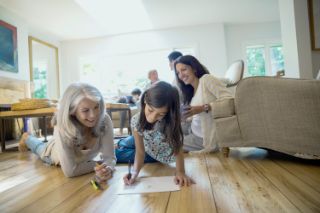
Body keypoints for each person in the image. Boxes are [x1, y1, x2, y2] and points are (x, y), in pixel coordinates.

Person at [19, 83, 116, 181]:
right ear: (72, 111)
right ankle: (27, 138)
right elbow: (70, 171)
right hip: (53, 154)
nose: (93, 115)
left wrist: (108, 168)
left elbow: (110, 158)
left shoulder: (104, 120)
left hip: (81, 159)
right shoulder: (62, 125)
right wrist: (98, 164)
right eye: (85, 110)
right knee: (40, 148)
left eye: (96, 107)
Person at [115, 81, 194, 186]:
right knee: (128, 141)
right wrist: (134, 173)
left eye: (161, 114)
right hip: (144, 145)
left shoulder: (171, 122)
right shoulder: (136, 120)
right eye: (150, 110)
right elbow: (140, 151)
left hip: (155, 155)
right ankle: (120, 143)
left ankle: (119, 144)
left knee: (117, 154)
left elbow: (178, 149)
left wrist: (180, 172)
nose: (152, 118)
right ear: (144, 101)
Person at [174, 55, 233, 153]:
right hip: (192, 128)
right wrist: (185, 116)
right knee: (168, 129)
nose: (181, 75)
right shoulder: (191, 91)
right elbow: (197, 116)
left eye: (183, 70)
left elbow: (230, 100)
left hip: (203, 137)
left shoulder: (206, 80)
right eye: (178, 73)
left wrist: (203, 108)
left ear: (194, 68)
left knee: (171, 143)